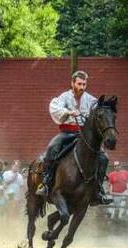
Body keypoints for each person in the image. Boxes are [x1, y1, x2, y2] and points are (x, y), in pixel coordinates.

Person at [35, 71, 112, 205]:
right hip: (66, 133)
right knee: (52, 148)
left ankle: (98, 190)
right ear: (72, 83)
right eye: (79, 84)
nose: (82, 87)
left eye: (84, 84)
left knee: (103, 158)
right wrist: (69, 112)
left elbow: (98, 115)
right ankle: (46, 182)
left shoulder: (92, 100)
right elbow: (54, 108)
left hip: (84, 135)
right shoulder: (64, 97)